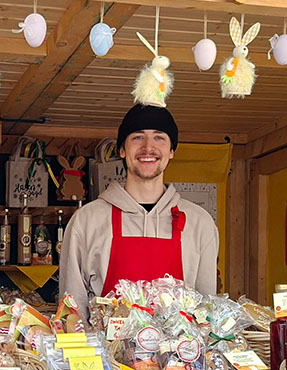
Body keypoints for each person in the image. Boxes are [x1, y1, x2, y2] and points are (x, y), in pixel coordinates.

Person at [59, 104, 219, 321]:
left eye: (159, 137)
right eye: (137, 137)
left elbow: (205, 314)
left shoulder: (200, 223)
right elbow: (72, 312)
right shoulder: (86, 221)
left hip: (178, 354)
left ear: (171, 151)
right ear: (122, 150)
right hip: (106, 354)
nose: (148, 148)